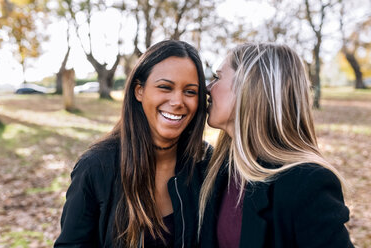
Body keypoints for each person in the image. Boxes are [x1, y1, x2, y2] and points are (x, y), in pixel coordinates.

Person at [54, 40, 212, 248]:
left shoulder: (206, 163)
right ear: (139, 91)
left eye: (190, 92)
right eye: (165, 87)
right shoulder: (96, 167)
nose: (177, 101)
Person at [198, 43, 354, 248]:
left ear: (249, 86)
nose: (207, 87)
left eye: (217, 77)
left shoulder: (307, 183)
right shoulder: (219, 168)